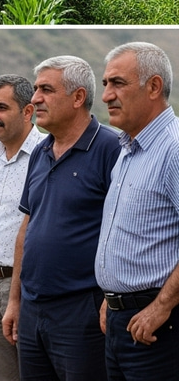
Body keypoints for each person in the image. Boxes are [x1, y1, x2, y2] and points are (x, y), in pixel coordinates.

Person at [2, 55, 119, 381]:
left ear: (78, 97)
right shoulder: (40, 152)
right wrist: (15, 301)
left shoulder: (110, 149)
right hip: (33, 307)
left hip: (82, 310)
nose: (35, 98)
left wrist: (111, 297)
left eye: (45, 90)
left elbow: (125, 228)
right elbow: (28, 226)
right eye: (35, 89)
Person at [95, 42, 179, 379]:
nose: (106, 95)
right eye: (105, 84)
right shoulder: (128, 149)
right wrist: (112, 296)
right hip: (121, 320)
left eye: (118, 83)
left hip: (158, 324)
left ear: (154, 87)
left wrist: (161, 306)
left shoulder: (173, 149)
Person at [0, 74, 45, 381]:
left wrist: (16, 291)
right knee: (2, 375)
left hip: (23, 284)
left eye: (1, 107)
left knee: (33, 372)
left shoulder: (47, 153)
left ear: (28, 111)